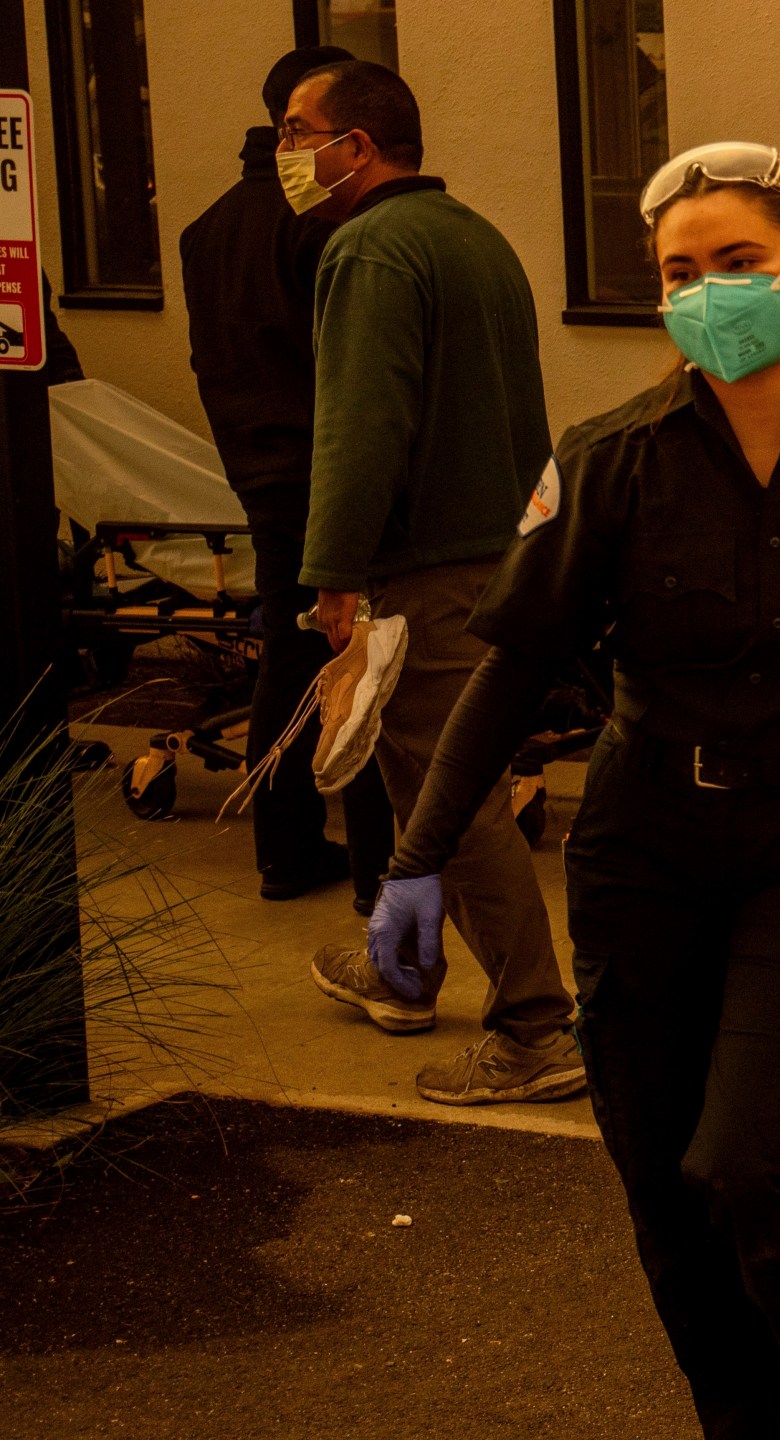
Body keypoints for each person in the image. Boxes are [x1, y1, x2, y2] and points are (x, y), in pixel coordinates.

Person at [363, 142, 780, 1437]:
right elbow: (510, 673)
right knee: (666, 1187)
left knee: (758, 1162)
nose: (705, 293)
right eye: (680, 273)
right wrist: (417, 858)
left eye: (736, 263)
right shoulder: (608, 459)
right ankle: (737, 1420)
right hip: (644, 844)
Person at [281, 60, 581, 1106]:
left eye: (296, 131)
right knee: (427, 787)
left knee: (458, 799)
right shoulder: (476, 239)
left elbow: (360, 426)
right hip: (501, 549)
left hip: (427, 571)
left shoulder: (368, 249)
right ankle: (401, 965)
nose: (288, 154)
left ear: (355, 146)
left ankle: (537, 1027)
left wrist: (331, 573)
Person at [177, 43, 398, 908]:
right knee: (368, 657)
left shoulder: (209, 228)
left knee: (290, 653)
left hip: (256, 467)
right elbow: (351, 366)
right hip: (328, 466)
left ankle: (285, 848)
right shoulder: (323, 225)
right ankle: (379, 870)